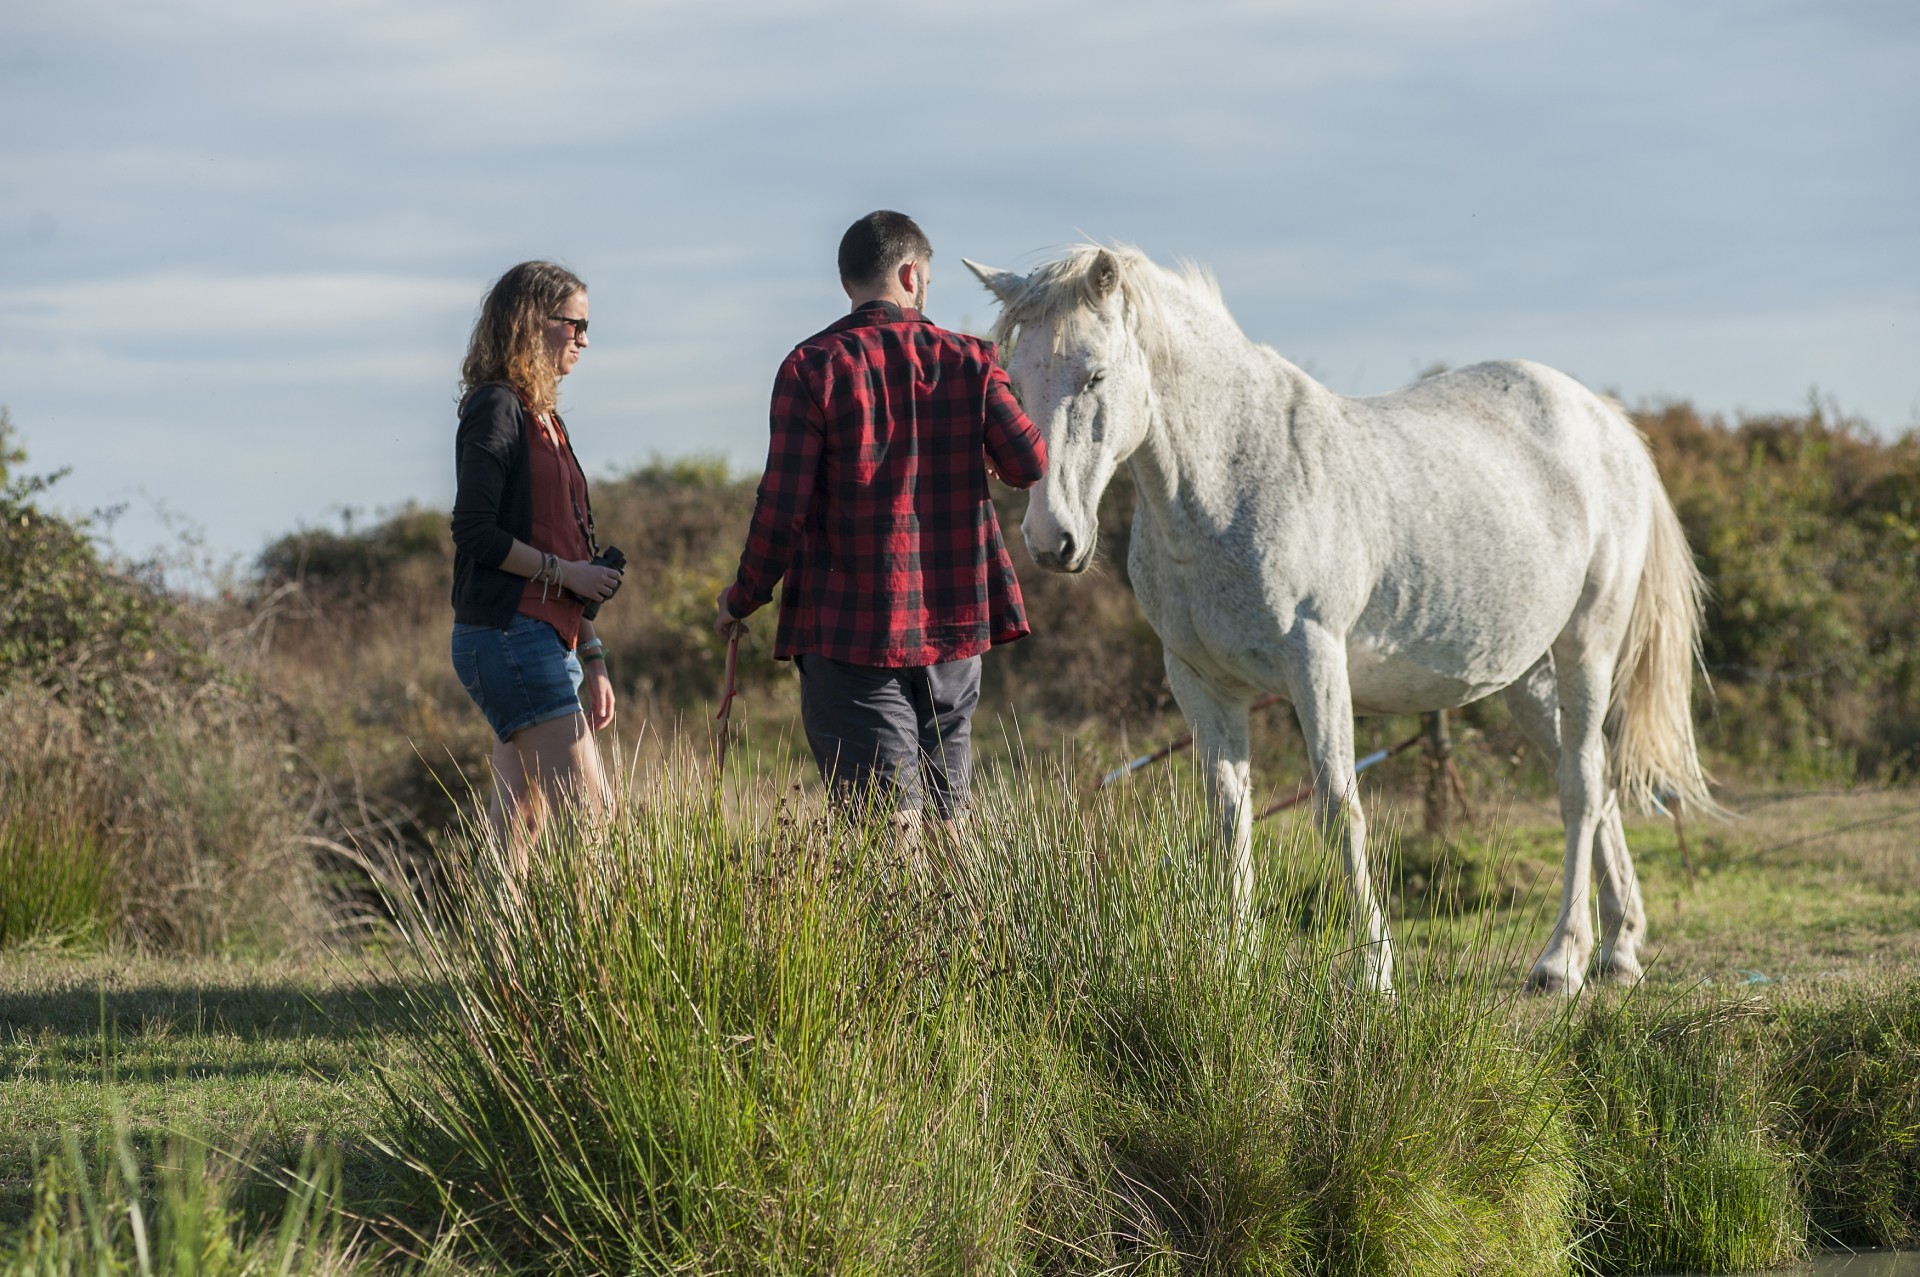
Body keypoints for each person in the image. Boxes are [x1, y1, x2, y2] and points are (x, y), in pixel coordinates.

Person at [715, 211, 1048, 835]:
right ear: (911, 273)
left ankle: (908, 937)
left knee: (883, 833)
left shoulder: (810, 367)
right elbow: (1029, 461)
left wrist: (742, 598)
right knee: (949, 823)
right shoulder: (973, 361)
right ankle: (963, 935)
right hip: (953, 628)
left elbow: (780, 508)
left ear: (849, 284)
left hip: (849, 633)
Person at [449, 261, 623, 861]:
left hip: (546, 635)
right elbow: (473, 530)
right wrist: (563, 574)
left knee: (520, 823)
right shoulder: (497, 406)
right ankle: (601, 958)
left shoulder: (546, 420)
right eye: (574, 324)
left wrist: (593, 652)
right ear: (532, 322)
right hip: (509, 633)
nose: (584, 339)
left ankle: (499, 954)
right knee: (593, 818)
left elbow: (571, 551)